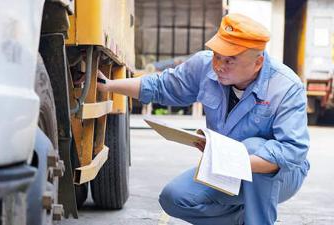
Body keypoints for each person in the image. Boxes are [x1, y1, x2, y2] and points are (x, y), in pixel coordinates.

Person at [97, 13, 310, 225]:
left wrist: (233, 161)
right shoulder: (204, 66)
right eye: (217, 55)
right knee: (174, 198)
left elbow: (293, 152)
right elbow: (161, 86)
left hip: (280, 175)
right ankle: (240, 221)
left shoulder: (286, 86)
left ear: (258, 63)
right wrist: (109, 85)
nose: (219, 65)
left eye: (230, 60)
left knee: (253, 147)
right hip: (226, 167)